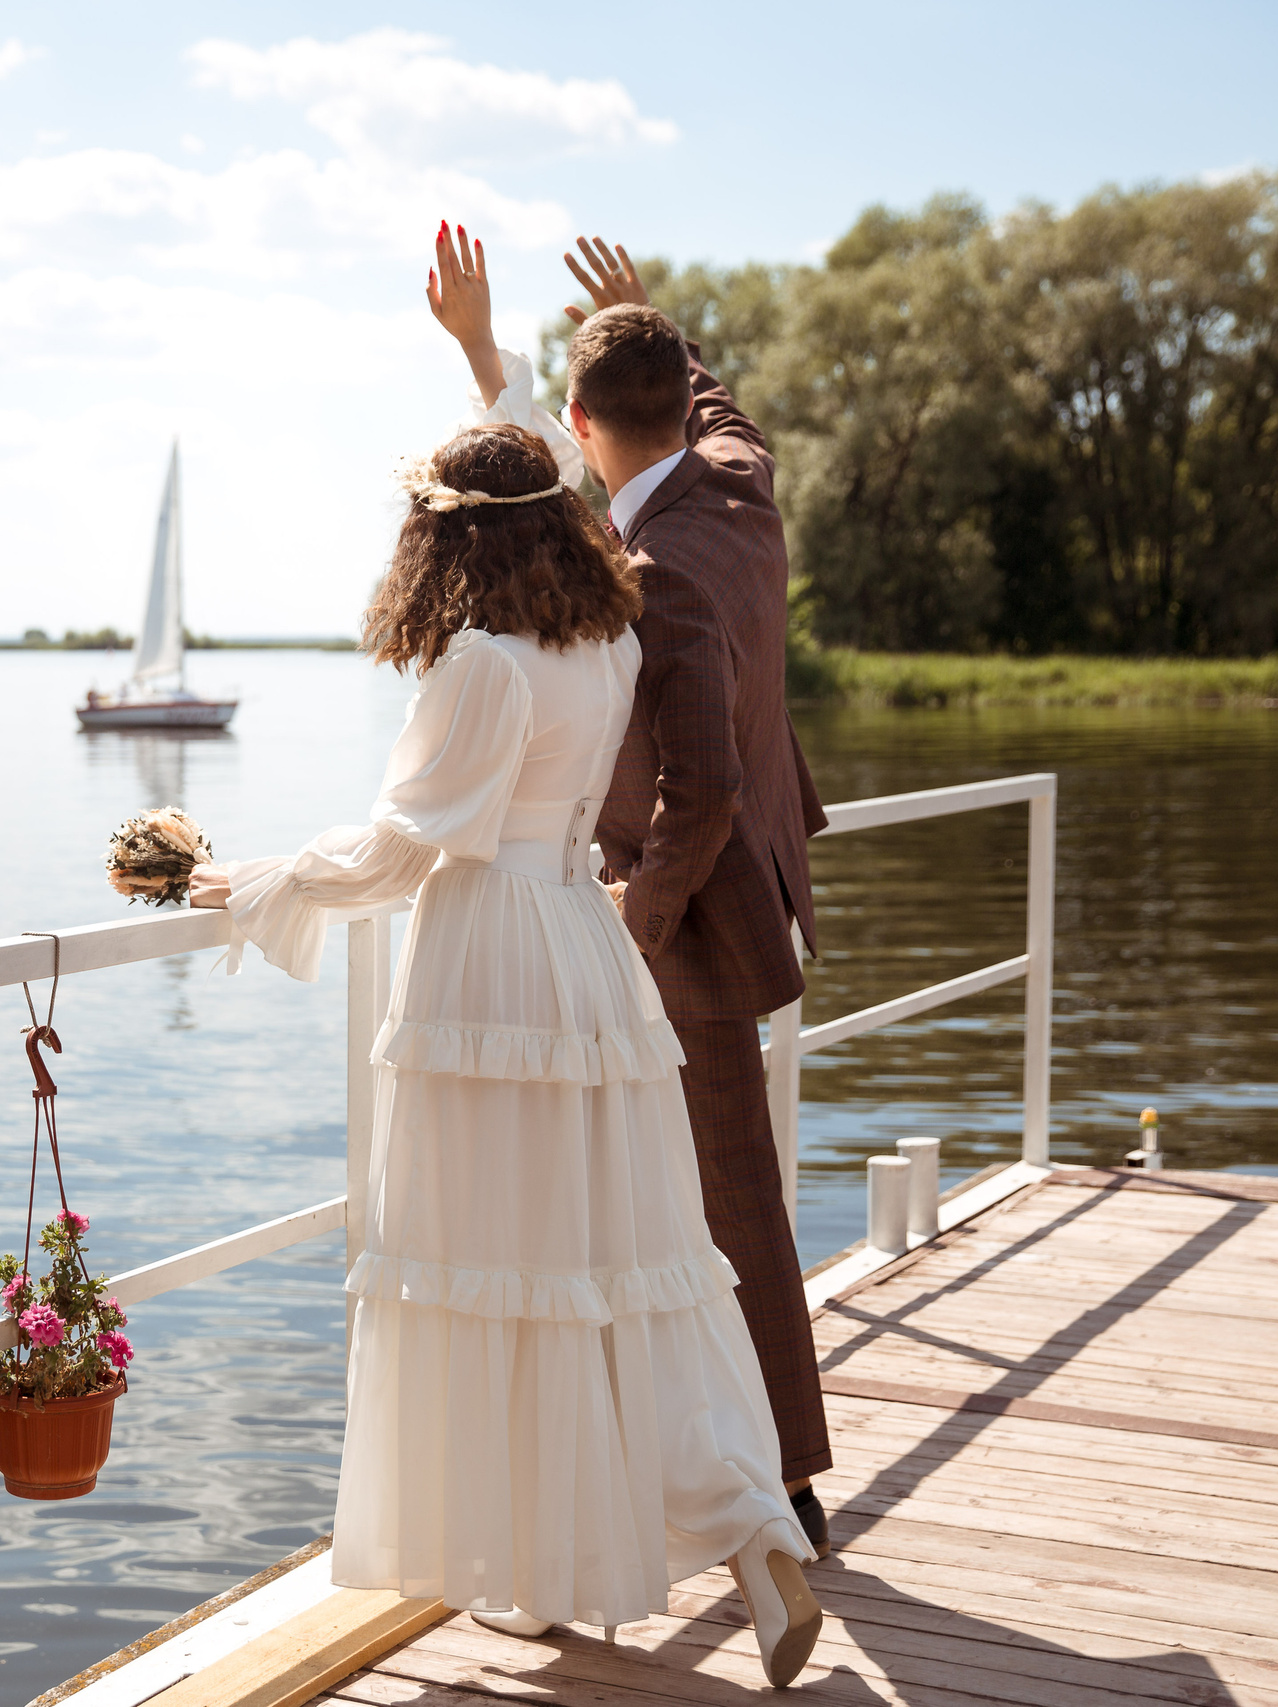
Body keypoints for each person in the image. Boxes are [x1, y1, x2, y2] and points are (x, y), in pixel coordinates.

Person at [185, 414, 820, 1684]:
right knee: (621, 1261)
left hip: (488, 971)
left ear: (443, 536)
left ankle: (528, 1572)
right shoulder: (604, 643)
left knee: (495, 1265)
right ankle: (753, 1524)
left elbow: (405, 848)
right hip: (584, 952)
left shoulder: (479, 663)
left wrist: (247, 881)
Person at [428, 225, 836, 1548]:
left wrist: (634, 916)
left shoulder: (660, 564)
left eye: (573, 418)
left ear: (589, 421)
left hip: (690, 915)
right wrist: (644, 321)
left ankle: (780, 1487)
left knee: (722, 1192)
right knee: (694, 1190)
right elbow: (711, 410)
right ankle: (702, 1455)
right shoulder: (736, 478)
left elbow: (701, 787)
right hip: (747, 893)